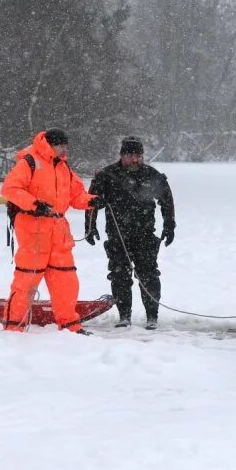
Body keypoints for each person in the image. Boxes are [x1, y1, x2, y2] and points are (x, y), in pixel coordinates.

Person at [0, 128, 102, 334]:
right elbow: (10, 189)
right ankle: (14, 325)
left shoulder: (64, 167)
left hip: (58, 230)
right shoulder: (29, 162)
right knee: (26, 280)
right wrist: (34, 204)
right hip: (33, 229)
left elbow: (76, 196)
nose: (65, 149)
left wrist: (94, 201)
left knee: (66, 281)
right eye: (61, 145)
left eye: (66, 145)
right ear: (51, 145)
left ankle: (70, 325)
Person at [85, 135, 175, 330]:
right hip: (118, 236)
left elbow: (167, 201)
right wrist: (90, 227)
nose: (135, 160)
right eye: (131, 155)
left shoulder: (152, 175)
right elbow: (90, 202)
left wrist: (169, 225)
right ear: (122, 155)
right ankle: (124, 316)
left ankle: (152, 316)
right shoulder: (107, 176)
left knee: (149, 275)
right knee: (119, 276)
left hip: (145, 235)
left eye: (139, 156)